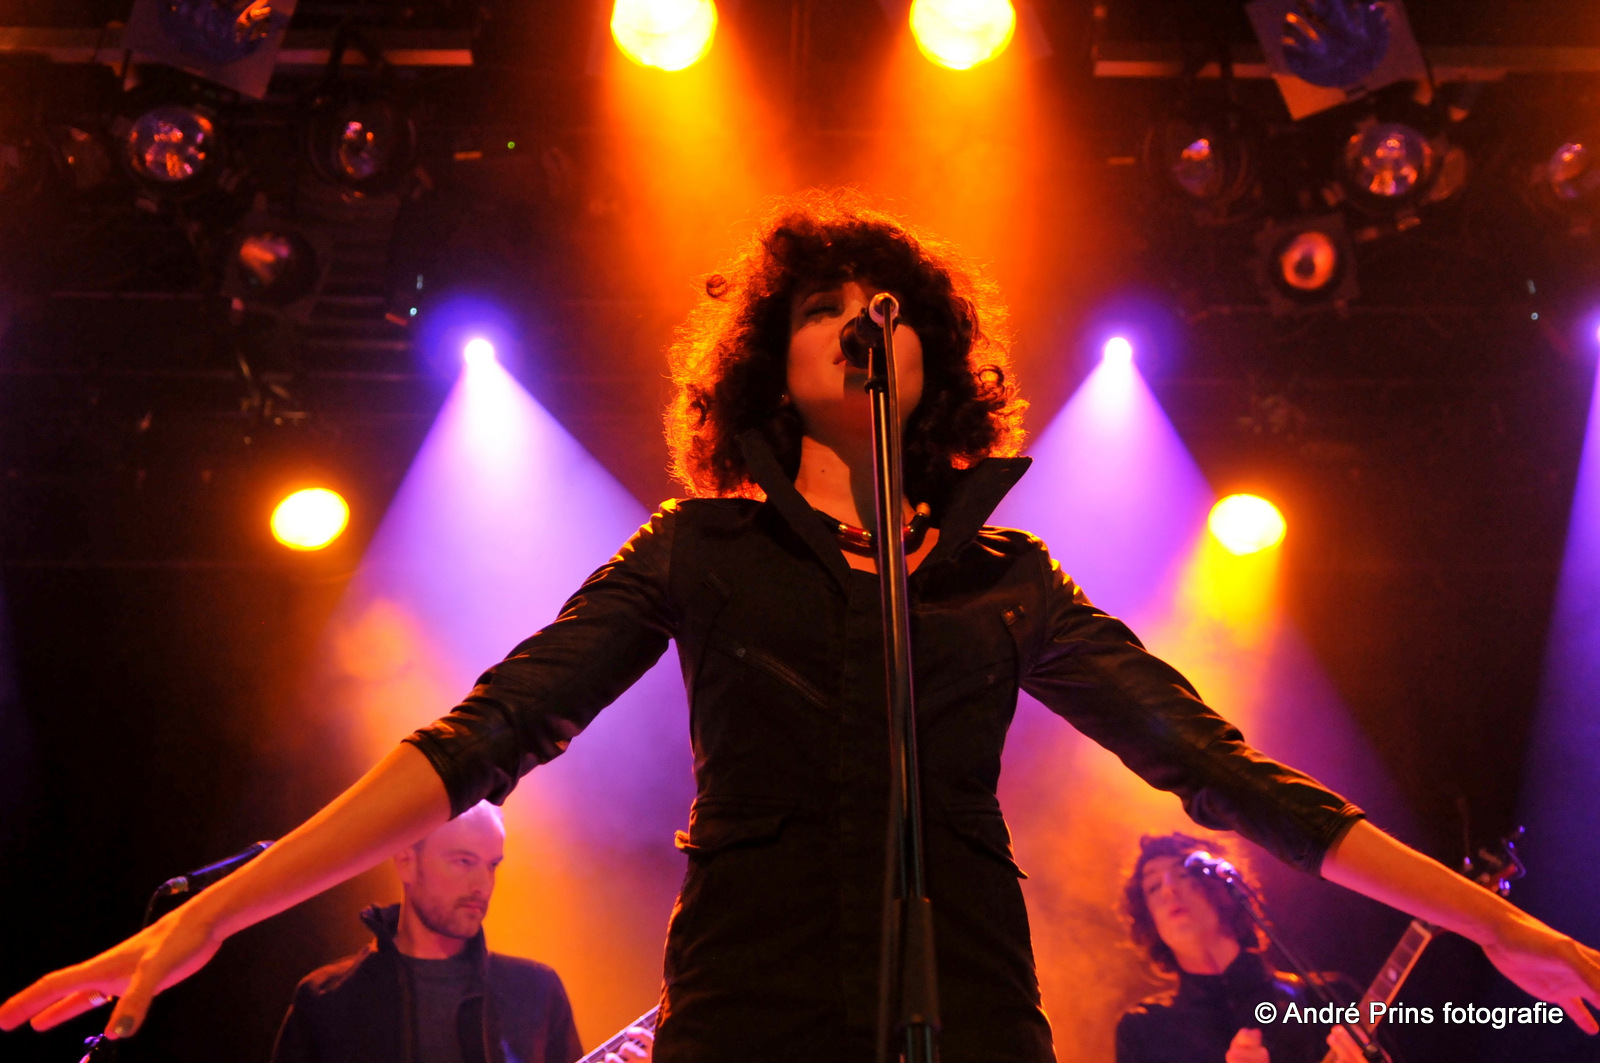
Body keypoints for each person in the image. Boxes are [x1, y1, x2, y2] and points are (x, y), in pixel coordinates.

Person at [2, 192, 1599, 1063]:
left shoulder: (1008, 577)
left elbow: (1233, 775)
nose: (858, 319)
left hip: (969, 1011)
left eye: (884, 303)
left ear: (935, 358)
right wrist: (204, 920)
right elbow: (478, 734)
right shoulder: (698, 550)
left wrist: (1498, 927)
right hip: (750, 1011)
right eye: (823, 302)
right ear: (772, 360)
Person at [270, 801, 584, 1063]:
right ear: (406, 862)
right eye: (464, 861)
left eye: (492, 865)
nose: (483, 885)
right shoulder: (326, 999)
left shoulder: (535, 990)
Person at [1116, 834, 1369, 1063]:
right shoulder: (1143, 1031)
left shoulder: (1326, 999)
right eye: (1153, 887)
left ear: (1221, 886)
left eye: (1183, 873)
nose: (1169, 890)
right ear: (1149, 919)